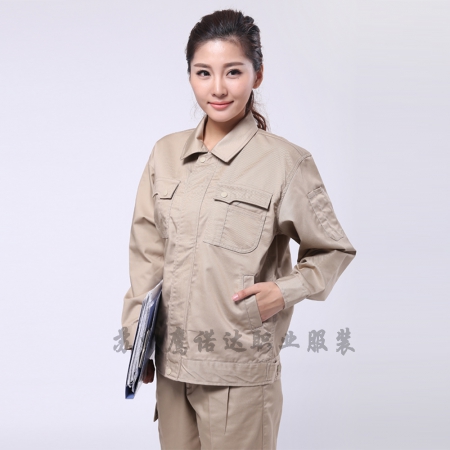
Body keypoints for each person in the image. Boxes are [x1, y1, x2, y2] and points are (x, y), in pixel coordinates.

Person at [121, 8, 356, 450]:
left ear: (257, 75)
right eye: (203, 72)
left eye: (233, 71)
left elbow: (333, 250)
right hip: (171, 367)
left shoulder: (286, 163)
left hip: (240, 372)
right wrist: (138, 341)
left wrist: (283, 291)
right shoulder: (165, 155)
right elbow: (147, 254)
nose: (218, 88)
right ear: (190, 76)